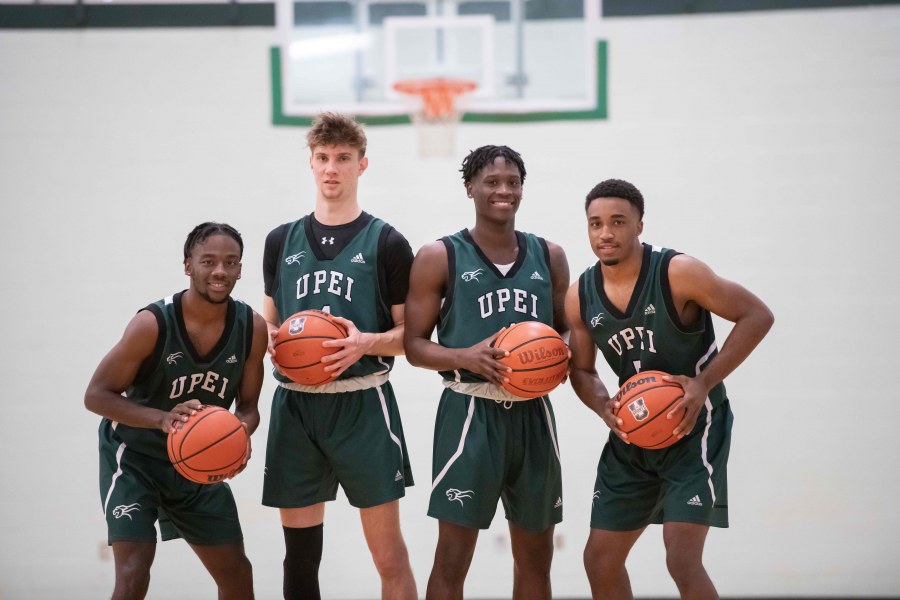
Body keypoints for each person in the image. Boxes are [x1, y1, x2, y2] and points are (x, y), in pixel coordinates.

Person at [565, 179, 774, 599]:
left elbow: (757, 315)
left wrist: (702, 383)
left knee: (681, 559)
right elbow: (582, 371)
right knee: (599, 559)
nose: (605, 233)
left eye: (618, 222)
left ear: (640, 224)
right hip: (632, 435)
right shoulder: (579, 295)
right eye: (595, 223)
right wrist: (603, 406)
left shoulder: (678, 272)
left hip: (694, 427)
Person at [261, 112, 417, 600]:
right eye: (323, 158)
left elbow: (411, 333)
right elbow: (267, 321)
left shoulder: (388, 243)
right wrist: (269, 336)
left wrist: (365, 343)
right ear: (310, 162)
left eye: (343, 159)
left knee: (388, 554)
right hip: (297, 405)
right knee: (300, 558)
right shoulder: (280, 241)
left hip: (362, 404)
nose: (332, 168)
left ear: (361, 165)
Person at [404, 145, 570, 600]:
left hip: (534, 415)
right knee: (453, 557)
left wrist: (559, 356)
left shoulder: (549, 255)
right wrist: (464, 357)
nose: (503, 191)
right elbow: (413, 346)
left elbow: (568, 333)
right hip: (469, 415)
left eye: (512, 183)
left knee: (537, 558)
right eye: (492, 182)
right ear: (469, 188)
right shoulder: (439, 255)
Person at [84, 222, 268, 600]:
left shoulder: (252, 327)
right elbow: (96, 395)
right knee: (133, 576)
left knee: (237, 574)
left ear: (239, 269)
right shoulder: (151, 324)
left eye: (230, 262)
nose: (220, 271)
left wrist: (238, 435)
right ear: (188, 265)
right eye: (209, 261)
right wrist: (164, 419)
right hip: (136, 459)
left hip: (197, 468)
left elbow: (249, 408)